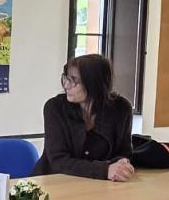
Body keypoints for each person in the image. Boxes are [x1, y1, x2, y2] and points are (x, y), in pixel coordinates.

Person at [35, 53, 135, 181]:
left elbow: (124, 153)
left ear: (94, 83)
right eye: (66, 78)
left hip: (100, 185)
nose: (66, 86)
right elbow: (58, 161)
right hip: (54, 181)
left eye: (74, 81)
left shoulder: (121, 108)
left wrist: (120, 166)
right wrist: (104, 170)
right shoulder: (55, 107)